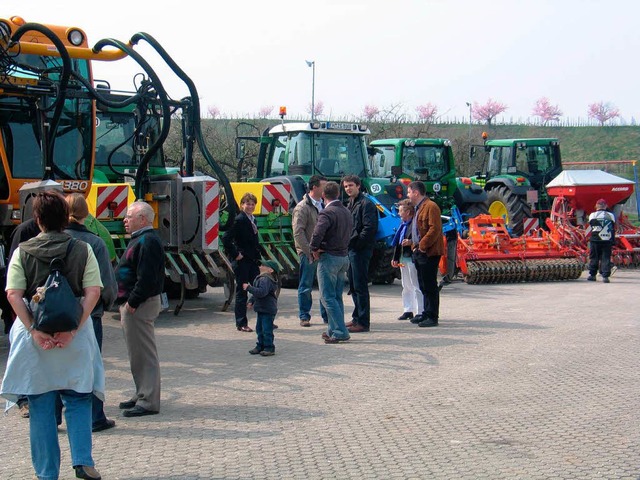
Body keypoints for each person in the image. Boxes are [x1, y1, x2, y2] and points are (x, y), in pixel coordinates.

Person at [0, 190, 104, 480]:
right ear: (65, 217)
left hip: (36, 340)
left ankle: (47, 474)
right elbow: (93, 291)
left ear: (37, 219)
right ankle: (82, 459)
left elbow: (13, 294)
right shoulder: (83, 249)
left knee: (41, 404)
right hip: (74, 335)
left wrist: (34, 330)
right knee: (79, 396)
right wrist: (73, 328)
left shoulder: (23, 250)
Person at [65, 193, 118, 432]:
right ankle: (96, 416)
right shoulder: (95, 243)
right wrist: (103, 306)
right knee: (91, 365)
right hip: (90, 315)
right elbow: (106, 283)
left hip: (55, 315)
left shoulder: (49, 240)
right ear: (86, 214)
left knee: (57, 366)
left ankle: (56, 414)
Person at [115, 201, 164, 417]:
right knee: (136, 354)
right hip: (135, 305)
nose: (125, 220)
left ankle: (148, 400)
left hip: (140, 306)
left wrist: (132, 303)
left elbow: (147, 278)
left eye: (129, 216)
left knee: (144, 354)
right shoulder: (141, 239)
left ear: (142, 219)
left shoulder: (148, 241)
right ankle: (141, 393)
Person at [310, 181, 353, 344]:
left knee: (327, 297)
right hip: (343, 256)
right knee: (336, 297)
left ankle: (340, 331)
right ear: (338, 194)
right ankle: (333, 329)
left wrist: (314, 248)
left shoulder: (327, 213)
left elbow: (317, 233)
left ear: (323, 195)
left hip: (329, 257)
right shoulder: (346, 211)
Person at [343, 175, 378, 333]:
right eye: (345, 186)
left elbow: (369, 228)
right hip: (351, 249)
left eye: (350, 185)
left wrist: (357, 244)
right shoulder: (350, 203)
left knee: (360, 286)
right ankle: (357, 317)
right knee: (353, 285)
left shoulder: (367, 204)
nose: (348, 188)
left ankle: (363, 322)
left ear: (358, 186)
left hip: (360, 250)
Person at [222, 192, 261, 332]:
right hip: (242, 261)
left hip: (252, 260)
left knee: (261, 286)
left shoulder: (252, 219)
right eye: (247, 204)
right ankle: (241, 323)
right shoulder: (239, 220)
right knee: (242, 291)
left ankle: (263, 319)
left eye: (252, 204)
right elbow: (226, 238)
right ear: (242, 205)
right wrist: (235, 254)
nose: (250, 206)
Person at [407, 181, 444, 327]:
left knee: (429, 285)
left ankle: (432, 316)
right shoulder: (419, 208)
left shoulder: (431, 207)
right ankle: (425, 312)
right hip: (419, 251)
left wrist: (422, 246)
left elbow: (434, 229)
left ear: (416, 193)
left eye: (409, 192)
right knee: (423, 284)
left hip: (429, 252)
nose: (407, 195)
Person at [292, 175, 328, 327]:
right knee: (306, 285)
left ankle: (326, 316)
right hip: (308, 254)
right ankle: (304, 316)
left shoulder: (325, 205)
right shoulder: (302, 207)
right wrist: (310, 251)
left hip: (324, 252)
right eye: (324, 186)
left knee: (325, 286)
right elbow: (298, 233)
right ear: (314, 187)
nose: (326, 189)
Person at [391, 199, 423, 320]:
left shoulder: (415, 224)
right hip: (404, 258)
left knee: (416, 285)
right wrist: (395, 258)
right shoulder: (402, 225)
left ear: (408, 212)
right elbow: (398, 242)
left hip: (412, 258)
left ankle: (420, 311)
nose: (399, 214)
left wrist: (411, 242)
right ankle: (408, 309)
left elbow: (419, 239)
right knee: (406, 285)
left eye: (400, 211)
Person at [244, 260, 280, 356]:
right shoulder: (262, 278)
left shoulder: (266, 279)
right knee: (259, 328)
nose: (260, 266)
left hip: (268, 309)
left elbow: (261, 292)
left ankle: (269, 347)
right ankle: (260, 345)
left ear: (270, 270)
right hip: (262, 308)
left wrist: (249, 288)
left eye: (263, 265)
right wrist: (251, 301)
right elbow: (257, 293)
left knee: (266, 329)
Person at [587, 198, 616, 283]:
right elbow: (613, 225)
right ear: (606, 206)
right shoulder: (611, 215)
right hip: (607, 239)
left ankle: (592, 275)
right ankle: (605, 277)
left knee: (594, 257)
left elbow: (591, 225)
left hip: (595, 239)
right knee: (606, 257)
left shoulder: (592, 215)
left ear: (596, 206)